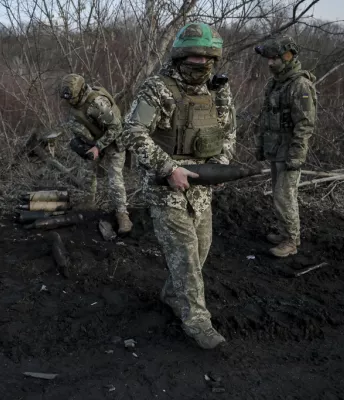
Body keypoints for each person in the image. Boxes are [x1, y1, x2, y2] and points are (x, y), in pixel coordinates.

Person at [120, 22, 236, 349]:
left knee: (200, 251)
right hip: (165, 186)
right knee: (185, 257)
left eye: (207, 58)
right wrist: (168, 168)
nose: (200, 63)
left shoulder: (218, 89)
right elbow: (132, 132)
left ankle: (172, 295)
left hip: (202, 186)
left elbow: (228, 132)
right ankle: (197, 322)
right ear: (180, 55)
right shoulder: (157, 88)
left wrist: (222, 166)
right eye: (193, 57)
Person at [254, 35, 317, 257]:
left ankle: (291, 240)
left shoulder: (300, 85)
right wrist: (262, 145)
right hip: (276, 148)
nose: (270, 63)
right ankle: (285, 232)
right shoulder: (276, 83)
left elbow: (305, 124)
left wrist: (297, 155)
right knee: (278, 194)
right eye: (268, 59)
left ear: (288, 57)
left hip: (289, 150)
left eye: (275, 59)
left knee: (284, 195)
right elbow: (267, 118)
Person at [58, 74, 132, 234]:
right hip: (94, 141)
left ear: (81, 90)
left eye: (73, 98)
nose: (70, 102)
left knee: (115, 179)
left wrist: (98, 147)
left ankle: (122, 215)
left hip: (114, 141)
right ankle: (89, 204)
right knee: (87, 172)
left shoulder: (97, 103)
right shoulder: (73, 101)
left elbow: (116, 128)